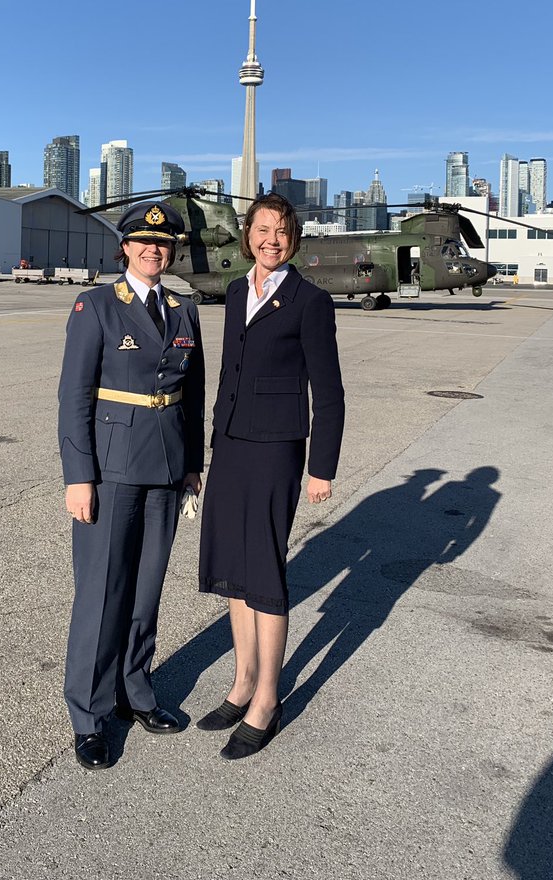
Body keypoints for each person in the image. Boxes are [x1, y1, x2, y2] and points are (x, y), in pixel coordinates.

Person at [58, 200, 205, 771]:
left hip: (167, 468)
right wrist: (79, 476)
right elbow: (74, 397)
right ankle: (90, 715)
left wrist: (193, 463)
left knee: (146, 589)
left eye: (164, 244)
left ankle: (134, 689)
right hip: (112, 468)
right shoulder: (96, 306)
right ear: (125, 247)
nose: (154, 250)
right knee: (101, 594)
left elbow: (192, 397)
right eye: (144, 243)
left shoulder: (184, 309)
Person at [197, 192, 344, 759]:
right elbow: (231, 373)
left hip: (276, 448)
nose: (271, 240)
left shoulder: (310, 302)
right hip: (232, 445)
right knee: (233, 571)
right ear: (248, 235)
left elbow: (328, 394)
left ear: (294, 238)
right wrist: (212, 446)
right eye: (262, 230)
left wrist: (320, 468)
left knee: (263, 571)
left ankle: (267, 699)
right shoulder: (237, 293)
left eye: (281, 231)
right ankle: (240, 683)